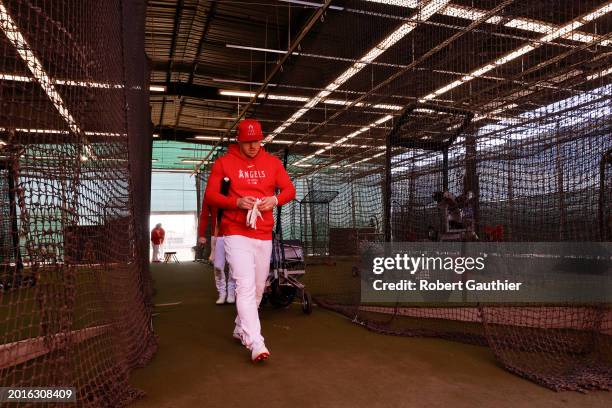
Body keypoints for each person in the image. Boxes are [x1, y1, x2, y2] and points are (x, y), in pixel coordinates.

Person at [204, 118, 296, 363]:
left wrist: (274, 200)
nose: (253, 145)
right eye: (248, 141)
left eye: (257, 140)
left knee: (257, 289)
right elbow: (211, 195)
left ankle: (239, 327)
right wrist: (235, 202)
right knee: (244, 286)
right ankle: (256, 342)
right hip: (235, 231)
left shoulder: (273, 163)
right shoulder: (224, 163)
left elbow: (289, 190)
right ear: (239, 140)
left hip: (263, 232)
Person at [198, 199, 236, 305]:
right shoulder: (210, 193)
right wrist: (201, 234)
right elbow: (204, 215)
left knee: (234, 265)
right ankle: (222, 292)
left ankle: (232, 291)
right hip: (217, 235)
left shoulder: (234, 188)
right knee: (218, 266)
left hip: (234, 234)